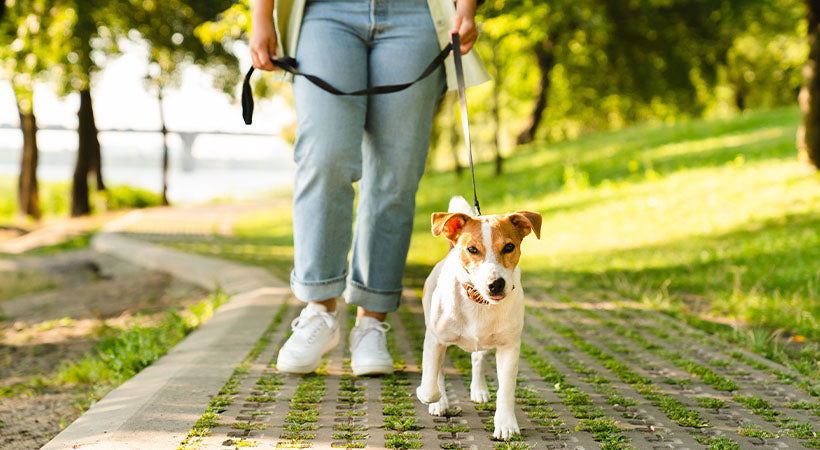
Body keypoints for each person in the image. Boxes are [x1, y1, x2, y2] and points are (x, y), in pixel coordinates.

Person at [249, 0, 489, 376]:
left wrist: (467, 7)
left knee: (396, 173)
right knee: (323, 157)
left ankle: (371, 322)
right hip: (326, 13)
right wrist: (261, 16)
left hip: (417, 16)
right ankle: (319, 311)